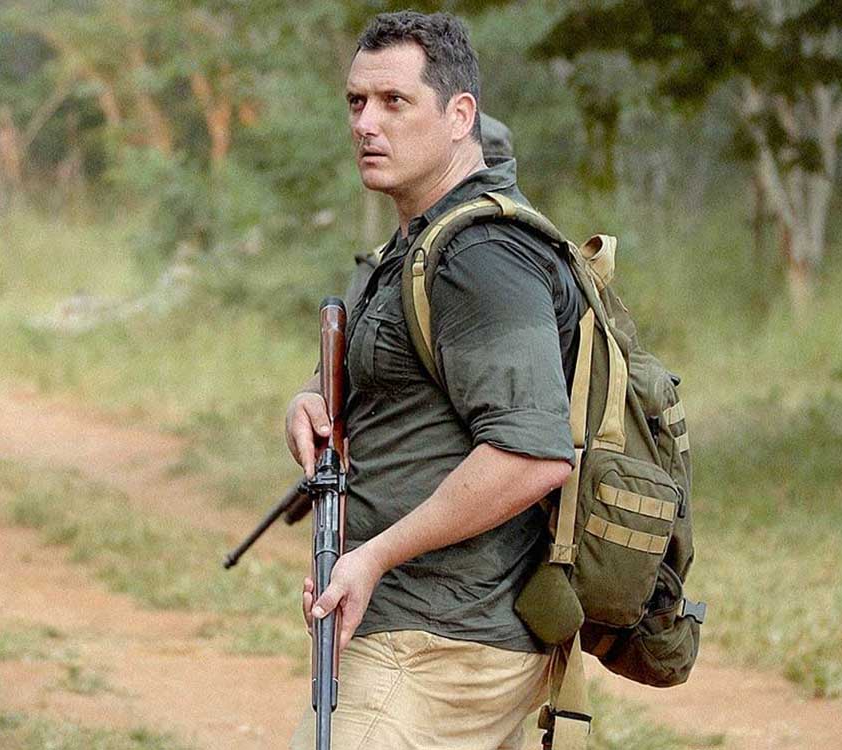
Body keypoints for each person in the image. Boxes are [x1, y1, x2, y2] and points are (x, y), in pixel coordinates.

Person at [285, 11, 584, 750]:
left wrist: (373, 556)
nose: (366, 124)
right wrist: (312, 401)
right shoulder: (421, 238)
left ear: (459, 115)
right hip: (427, 634)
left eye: (395, 101)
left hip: (437, 643)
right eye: (357, 102)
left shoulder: (482, 256)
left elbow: (531, 456)